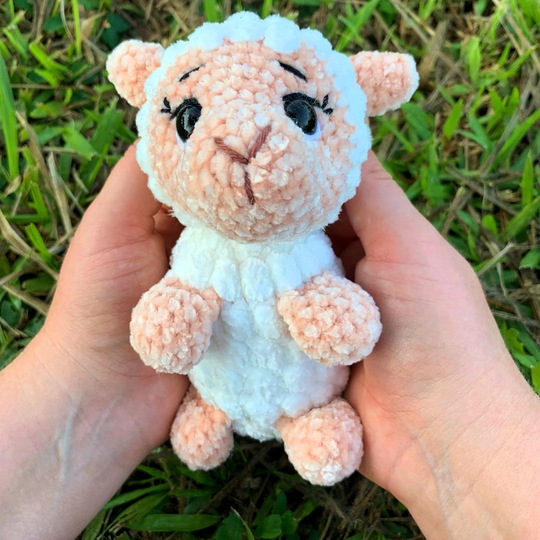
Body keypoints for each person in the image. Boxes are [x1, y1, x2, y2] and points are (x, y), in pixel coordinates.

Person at [0, 145, 538, 539]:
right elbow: (173, 314)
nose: (245, 153)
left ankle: (304, 421)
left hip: (310, 393)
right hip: (216, 386)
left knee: (325, 416)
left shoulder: (305, 250)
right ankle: (212, 409)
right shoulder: (196, 252)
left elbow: (339, 318)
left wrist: (331, 317)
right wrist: (148, 337)